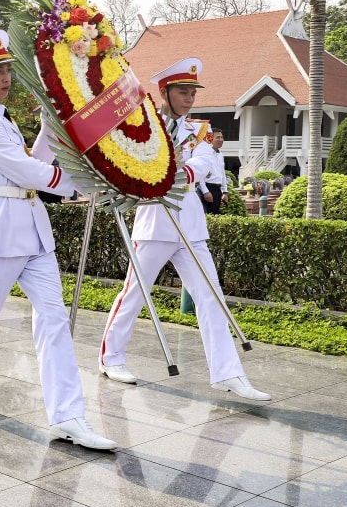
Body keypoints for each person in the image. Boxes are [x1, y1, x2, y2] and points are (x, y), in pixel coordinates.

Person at [0, 29, 115, 451]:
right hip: (0, 229)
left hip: (34, 230)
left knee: (54, 320)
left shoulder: (4, 121)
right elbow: (28, 173)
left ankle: (69, 416)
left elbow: (33, 162)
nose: (5, 78)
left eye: (7, 70)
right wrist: (75, 186)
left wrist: (49, 129)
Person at [99, 58, 269, 401]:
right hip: (154, 221)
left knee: (212, 297)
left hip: (189, 223)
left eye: (193, 92)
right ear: (165, 92)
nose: (189, 97)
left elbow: (206, 160)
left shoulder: (198, 130)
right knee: (135, 294)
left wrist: (182, 173)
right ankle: (111, 357)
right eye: (182, 91)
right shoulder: (143, 125)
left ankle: (227, 373)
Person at [202, 128, 227, 214]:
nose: (221, 140)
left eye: (222, 137)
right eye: (218, 137)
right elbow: (199, 175)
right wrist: (205, 192)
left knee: (215, 215)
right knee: (206, 216)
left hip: (217, 190)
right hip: (207, 188)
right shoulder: (204, 154)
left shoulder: (220, 155)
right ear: (210, 138)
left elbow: (222, 174)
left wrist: (225, 192)